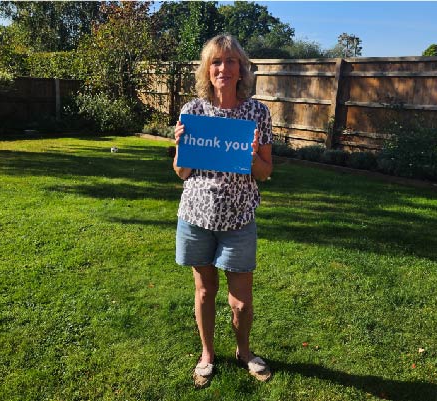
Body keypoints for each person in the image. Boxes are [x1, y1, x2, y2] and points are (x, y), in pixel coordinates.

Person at [172, 34, 273, 388]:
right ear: (207, 68)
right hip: (197, 216)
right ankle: (207, 354)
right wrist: (181, 147)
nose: (224, 69)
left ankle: (244, 352)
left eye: (231, 62)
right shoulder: (193, 111)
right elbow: (182, 173)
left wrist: (250, 159)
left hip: (239, 217)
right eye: (217, 62)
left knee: (241, 302)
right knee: (204, 291)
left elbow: (266, 171)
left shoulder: (258, 113)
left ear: (241, 68)